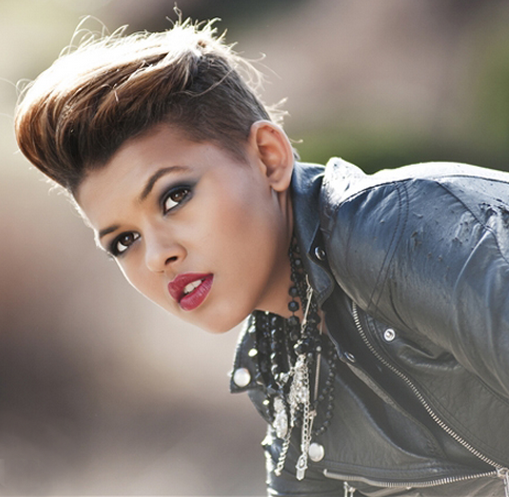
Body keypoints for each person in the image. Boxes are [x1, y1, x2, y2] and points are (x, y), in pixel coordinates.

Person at [14, 18, 509, 497]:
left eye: (174, 197)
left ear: (269, 157)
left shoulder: (400, 229)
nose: (158, 256)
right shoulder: (283, 366)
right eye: (124, 240)